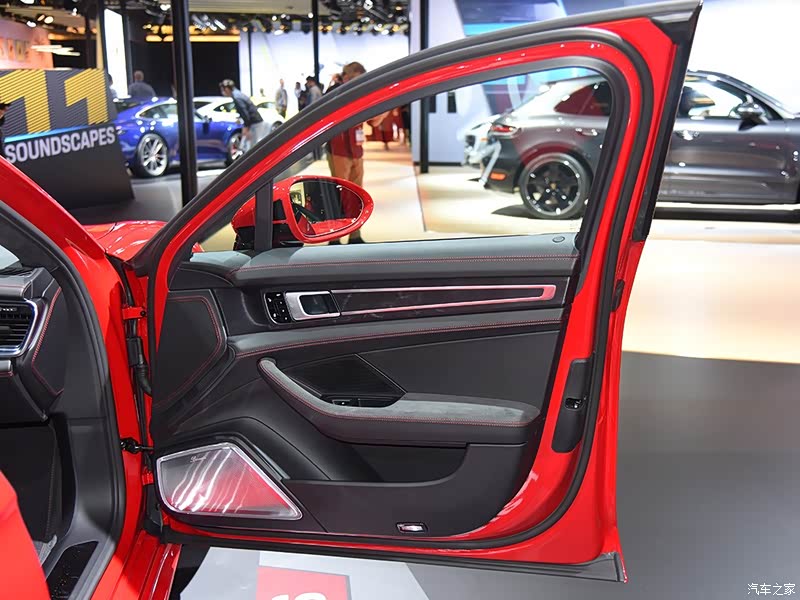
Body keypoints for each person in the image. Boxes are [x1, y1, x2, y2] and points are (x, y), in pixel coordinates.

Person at [327, 62, 371, 243]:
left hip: (356, 150)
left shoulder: (361, 92)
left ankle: (355, 234)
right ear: (346, 77)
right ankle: (335, 236)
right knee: (339, 193)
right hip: (338, 150)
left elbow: (374, 120)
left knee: (357, 193)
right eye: (354, 78)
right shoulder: (334, 92)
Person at [219, 79, 268, 152]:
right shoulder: (237, 94)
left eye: (222, 90)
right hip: (254, 122)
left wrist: (246, 128)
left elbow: (245, 113)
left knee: (252, 147)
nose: (222, 93)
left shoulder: (237, 97)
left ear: (227, 89)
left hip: (255, 123)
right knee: (250, 145)